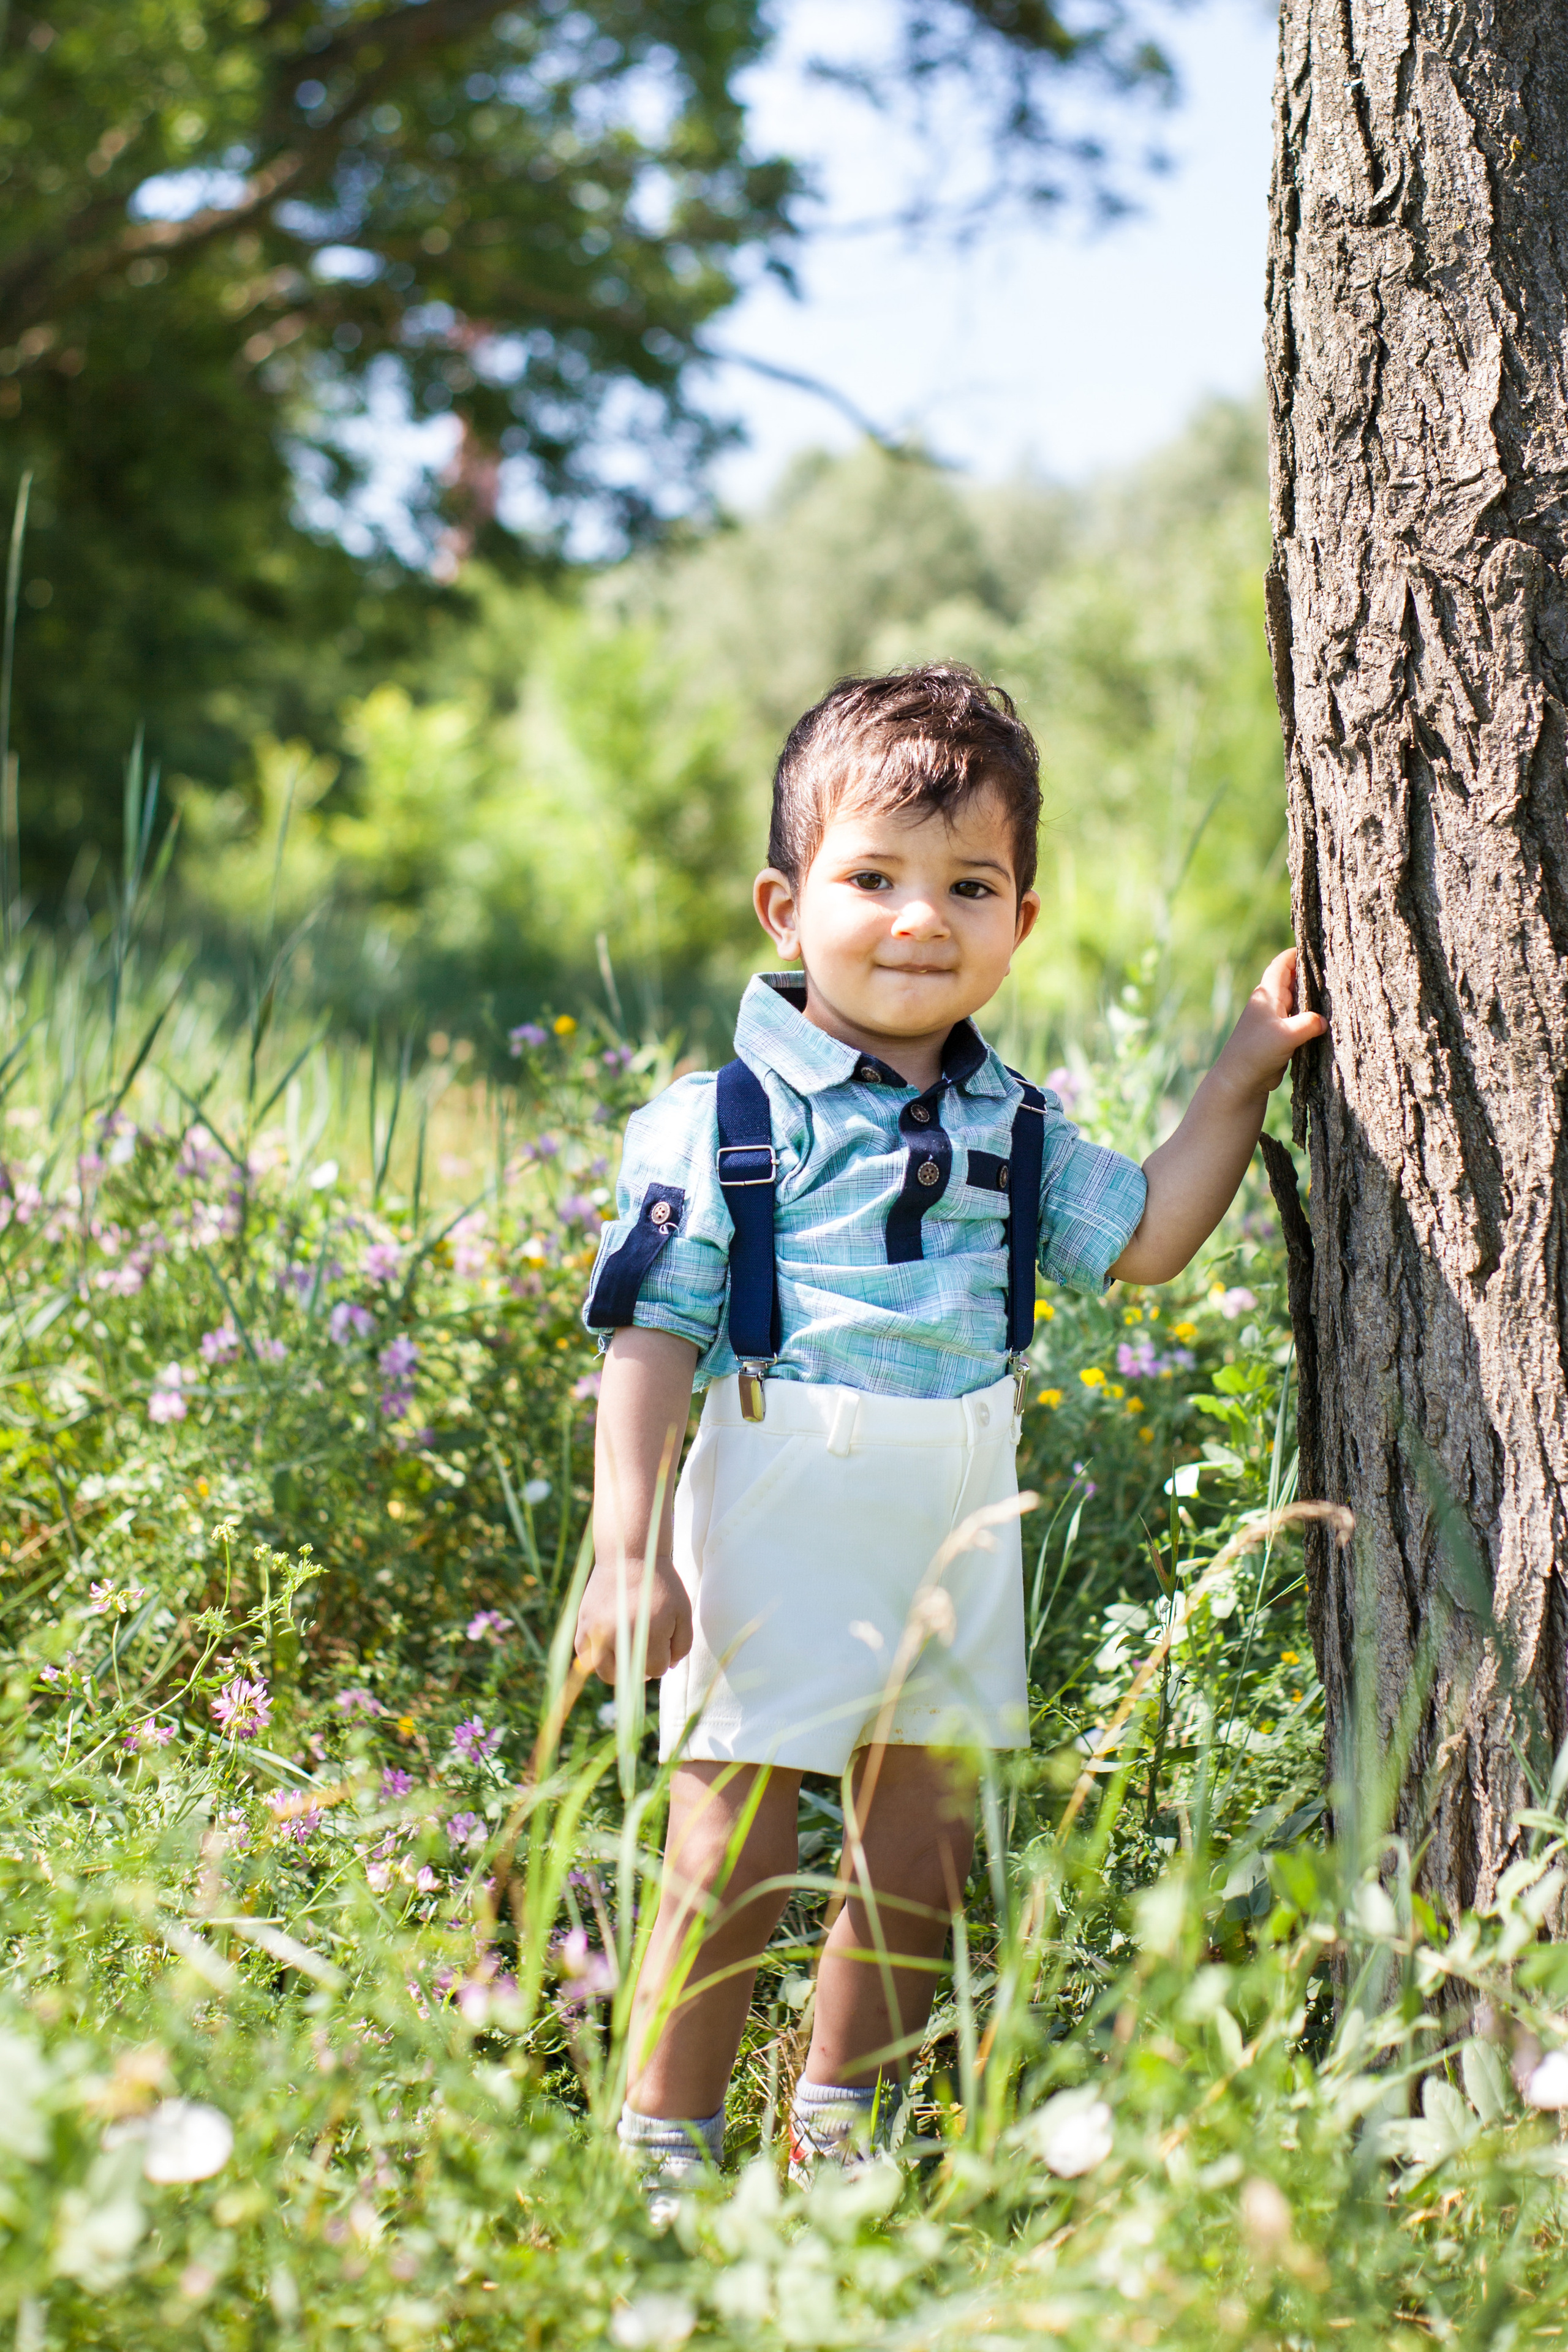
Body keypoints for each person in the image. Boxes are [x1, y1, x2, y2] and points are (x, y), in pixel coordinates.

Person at [575, 665, 1324, 2197]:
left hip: (964, 1485)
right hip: (782, 1478)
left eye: (966, 886)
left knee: (921, 1844)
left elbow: (1147, 1240)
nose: (919, 920)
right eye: (874, 880)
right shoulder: (717, 1117)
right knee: (733, 1843)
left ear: (1019, 923)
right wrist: (624, 1555)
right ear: (785, 908)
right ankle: (664, 2138)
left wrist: (1235, 1079)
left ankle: (842, 2126)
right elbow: (649, 1344)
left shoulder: (1015, 1121)